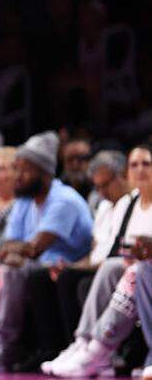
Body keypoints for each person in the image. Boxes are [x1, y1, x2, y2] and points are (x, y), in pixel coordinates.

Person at [0, 131, 94, 372]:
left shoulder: (63, 199)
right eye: (16, 169)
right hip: (33, 265)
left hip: (64, 267)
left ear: (44, 173)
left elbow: (33, 249)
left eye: (24, 170)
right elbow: (6, 246)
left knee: (13, 268)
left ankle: (8, 346)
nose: (17, 177)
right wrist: (14, 251)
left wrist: (15, 251)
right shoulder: (25, 199)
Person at [43, 146, 152, 377]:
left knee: (134, 272)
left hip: (143, 269)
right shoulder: (128, 203)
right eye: (134, 164)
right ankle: (84, 342)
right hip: (133, 267)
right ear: (127, 171)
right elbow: (113, 250)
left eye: (146, 163)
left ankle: (99, 349)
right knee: (112, 267)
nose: (140, 170)